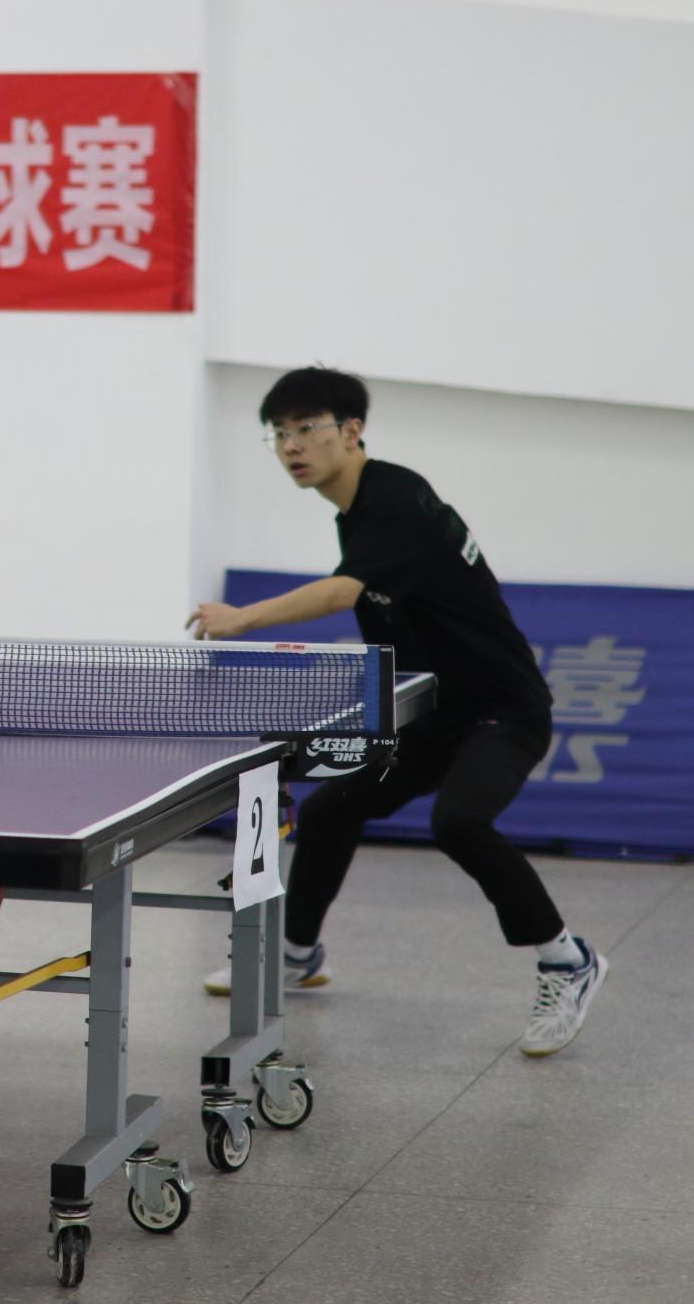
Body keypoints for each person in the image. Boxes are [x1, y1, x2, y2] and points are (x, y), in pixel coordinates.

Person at [186, 366, 606, 1058]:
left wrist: (241, 618)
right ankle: (298, 954)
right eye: (280, 434)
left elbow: (340, 592)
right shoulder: (356, 514)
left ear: (352, 431)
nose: (292, 446)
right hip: (432, 717)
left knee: (460, 822)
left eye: (307, 429)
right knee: (332, 809)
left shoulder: (396, 500)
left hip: (502, 711)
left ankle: (568, 959)